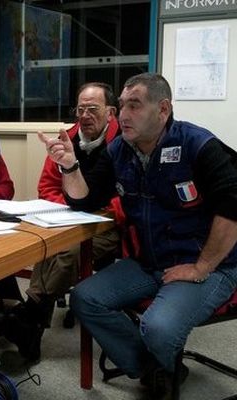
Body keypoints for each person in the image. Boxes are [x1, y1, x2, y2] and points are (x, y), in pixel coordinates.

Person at [39, 73, 237, 398]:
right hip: (151, 262)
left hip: (209, 265)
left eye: (135, 105)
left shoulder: (197, 144)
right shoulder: (120, 150)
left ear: (162, 109)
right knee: (85, 298)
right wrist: (70, 166)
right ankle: (153, 368)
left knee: (157, 328)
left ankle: (160, 361)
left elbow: (233, 205)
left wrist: (201, 268)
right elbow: (84, 199)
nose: (124, 114)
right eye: (121, 106)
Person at [0, 82, 124, 361]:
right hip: (68, 220)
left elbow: (128, 194)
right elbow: (47, 188)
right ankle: (30, 325)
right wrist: (71, 208)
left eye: (93, 109)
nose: (84, 115)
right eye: (80, 109)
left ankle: (27, 318)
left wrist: (99, 209)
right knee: (46, 243)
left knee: (68, 250)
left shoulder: (123, 143)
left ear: (111, 113)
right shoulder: (65, 140)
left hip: (110, 225)